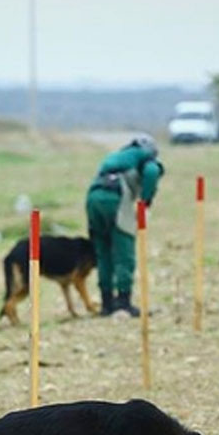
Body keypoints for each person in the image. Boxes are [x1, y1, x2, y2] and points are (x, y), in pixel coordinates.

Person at [85, 133, 166, 317]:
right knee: (124, 251)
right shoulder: (146, 157)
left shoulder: (117, 157)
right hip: (116, 199)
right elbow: (152, 172)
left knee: (103, 251)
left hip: (93, 198)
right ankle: (123, 302)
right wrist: (146, 202)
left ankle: (106, 303)